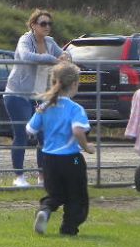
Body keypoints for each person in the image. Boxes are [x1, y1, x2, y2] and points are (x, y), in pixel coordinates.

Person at [3, 9, 69, 187]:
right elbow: (26, 56)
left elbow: (65, 55)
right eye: (43, 23)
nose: (47, 27)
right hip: (17, 94)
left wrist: (65, 56)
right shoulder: (25, 40)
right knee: (22, 134)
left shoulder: (50, 42)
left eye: (49, 24)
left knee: (44, 135)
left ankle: (42, 176)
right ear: (33, 25)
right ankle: (19, 177)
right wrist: (53, 59)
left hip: (38, 95)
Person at [27, 62, 93, 236]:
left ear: (53, 82)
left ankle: (45, 209)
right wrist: (86, 147)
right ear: (74, 84)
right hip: (72, 158)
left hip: (48, 159)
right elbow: (77, 131)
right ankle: (69, 228)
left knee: (55, 194)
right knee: (76, 194)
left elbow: (30, 130)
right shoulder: (75, 109)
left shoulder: (44, 106)